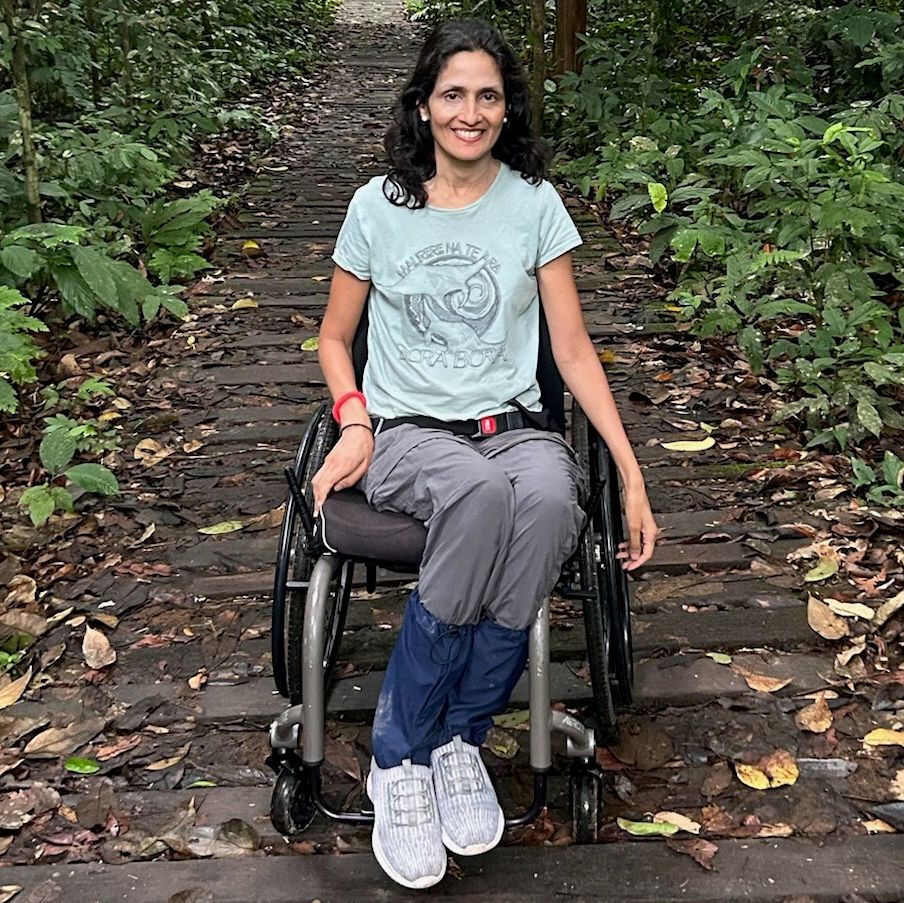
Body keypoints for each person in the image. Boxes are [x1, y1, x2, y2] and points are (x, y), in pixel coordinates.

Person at [311, 18, 658, 889]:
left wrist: (631, 472)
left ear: (508, 110)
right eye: (453, 94)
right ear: (424, 106)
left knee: (547, 497)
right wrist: (354, 421)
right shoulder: (377, 206)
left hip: (514, 428)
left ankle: (459, 739)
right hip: (406, 433)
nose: (471, 112)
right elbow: (334, 338)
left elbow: (571, 350)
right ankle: (400, 754)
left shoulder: (533, 205)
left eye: (489, 96)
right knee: (478, 492)